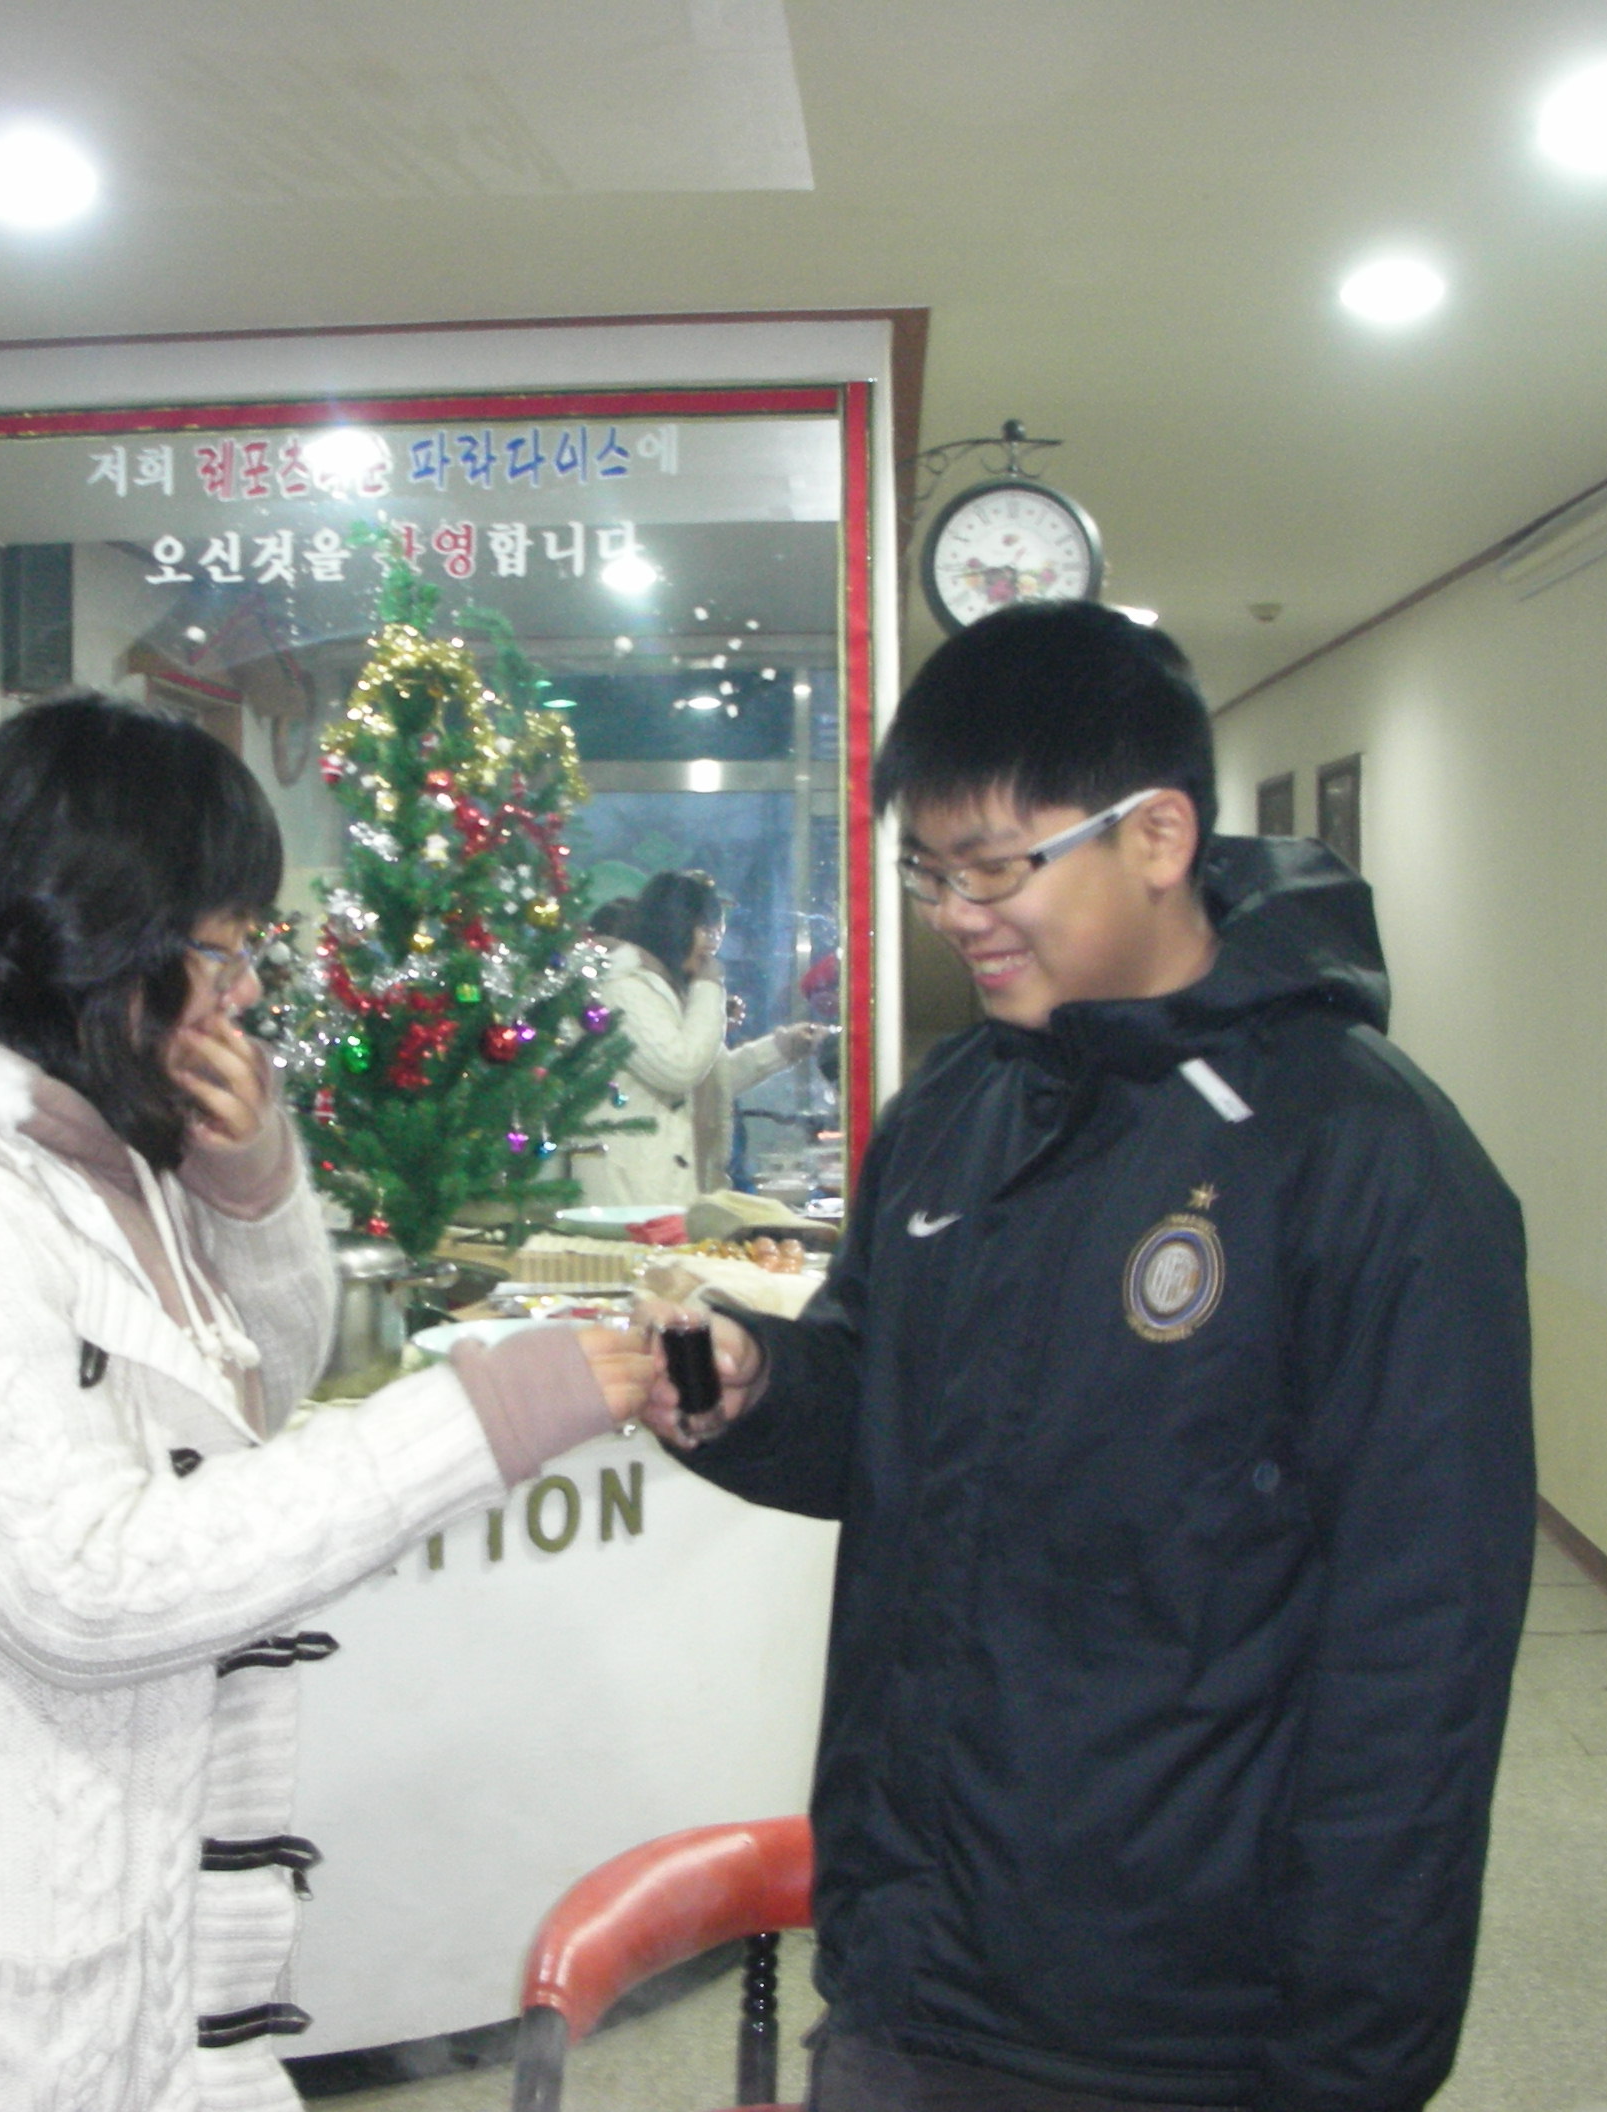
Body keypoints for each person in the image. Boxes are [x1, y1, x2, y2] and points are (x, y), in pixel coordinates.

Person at [0, 696, 655, 2112]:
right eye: (223, 948)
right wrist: (476, 1419)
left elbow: (244, 1392)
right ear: (98, 933)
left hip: (107, 1875)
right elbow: (90, 1587)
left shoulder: (69, 1144)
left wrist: (246, 1184)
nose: (246, 991)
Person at [639, 603, 1534, 2112]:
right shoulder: (953, 1114)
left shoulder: (1368, 1161)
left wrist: (1350, 2068)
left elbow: (1416, 1672)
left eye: (994, 868)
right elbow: (881, 1414)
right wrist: (759, 1390)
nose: (955, 914)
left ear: (1159, 835)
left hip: (1176, 2027)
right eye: (929, 873)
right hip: (908, 1971)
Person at [580, 870, 825, 1205]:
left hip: (669, 1184)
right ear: (673, 926)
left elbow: (709, 1083)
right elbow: (680, 1070)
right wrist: (709, 988)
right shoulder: (623, 986)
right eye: (705, 929)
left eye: (717, 930)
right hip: (633, 1193)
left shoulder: (665, 988)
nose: (713, 943)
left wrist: (781, 1049)